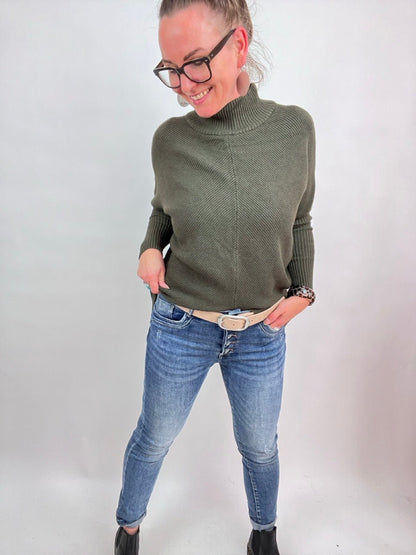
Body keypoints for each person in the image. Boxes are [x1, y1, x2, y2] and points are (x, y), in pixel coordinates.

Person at [114, 1, 316, 553]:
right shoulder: (170, 140)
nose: (184, 84)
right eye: (170, 68)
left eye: (196, 61)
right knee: (154, 437)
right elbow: (163, 213)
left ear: (240, 45)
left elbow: (300, 220)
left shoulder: (294, 131)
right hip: (181, 325)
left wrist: (303, 290)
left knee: (260, 448)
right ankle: (128, 528)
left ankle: (264, 535)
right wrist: (149, 249)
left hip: (261, 332)